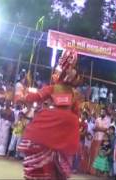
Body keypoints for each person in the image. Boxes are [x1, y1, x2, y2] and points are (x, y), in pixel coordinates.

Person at [17, 50, 82, 179]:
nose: (55, 74)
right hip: (67, 129)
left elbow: (35, 97)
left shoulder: (52, 88)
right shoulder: (75, 93)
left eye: (57, 72)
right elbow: (76, 112)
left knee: (42, 157)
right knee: (59, 165)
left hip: (49, 125)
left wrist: (21, 96)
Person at [89, 108, 111, 175]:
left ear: (105, 113)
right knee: (92, 154)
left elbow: (105, 129)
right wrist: (99, 129)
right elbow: (94, 128)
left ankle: (97, 172)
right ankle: (91, 171)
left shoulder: (108, 119)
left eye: (103, 112)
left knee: (98, 155)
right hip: (95, 138)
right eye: (101, 111)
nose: (102, 113)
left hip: (102, 140)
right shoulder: (97, 119)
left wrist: (98, 128)